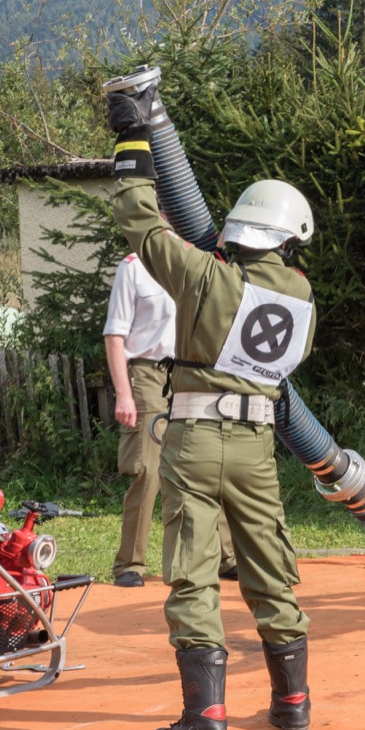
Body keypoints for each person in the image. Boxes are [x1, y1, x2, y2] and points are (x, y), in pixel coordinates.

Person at [108, 85, 316, 730]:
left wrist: (131, 138)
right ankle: (293, 706)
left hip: (194, 436)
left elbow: (140, 221)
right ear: (289, 238)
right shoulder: (301, 293)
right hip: (259, 444)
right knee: (269, 568)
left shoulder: (203, 275)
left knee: (194, 573)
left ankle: (206, 723)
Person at [103, 252, 238, 588]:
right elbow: (114, 335)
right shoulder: (134, 268)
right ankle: (130, 564)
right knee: (147, 469)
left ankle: (227, 557)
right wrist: (123, 393)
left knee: (207, 463)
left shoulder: (198, 260)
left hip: (193, 372)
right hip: (148, 373)